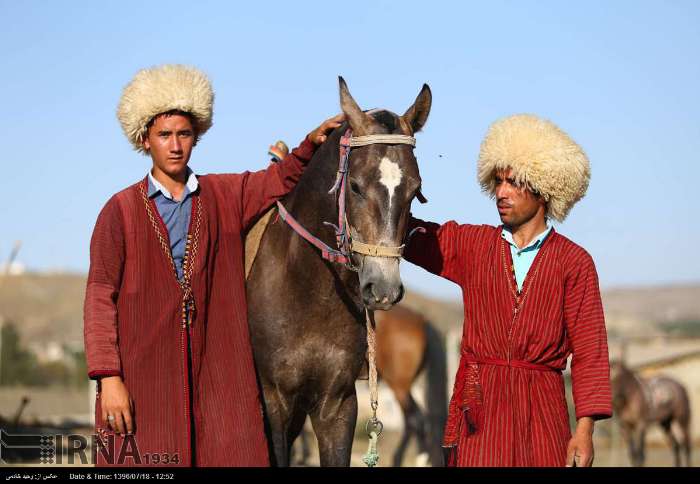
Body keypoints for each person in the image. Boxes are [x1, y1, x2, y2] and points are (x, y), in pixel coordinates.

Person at [83, 64, 342, 466]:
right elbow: (99, 297)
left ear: (196, 137)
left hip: (217, 373)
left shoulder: (224, 194)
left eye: (184, 134)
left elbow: (279, 179)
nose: (174, 145)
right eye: (164, 135)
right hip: (143, 376)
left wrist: (309, 145)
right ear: (144, 140)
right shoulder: (119, 212)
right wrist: (109, 378)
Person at [404, 114, 612, 467]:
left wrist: (585, 430)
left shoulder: (575, 263)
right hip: (479, 413)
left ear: (543, 188)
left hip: (544, 415)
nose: (501, 192)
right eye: (498, 181)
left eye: (513, 183)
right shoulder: (472, 245)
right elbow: (410, 235)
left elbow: (590, 352)